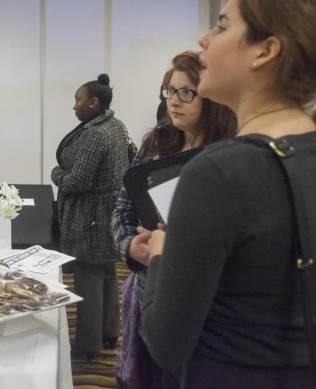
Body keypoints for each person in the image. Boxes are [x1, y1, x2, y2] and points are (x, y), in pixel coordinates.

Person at [142, 0, 316, 388]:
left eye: (222, 25)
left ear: (265, 51)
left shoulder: (219, 170)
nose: (204, 39)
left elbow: (166, 344)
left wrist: (161, 258)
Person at [112, 51, 236, 389]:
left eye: (186, 92)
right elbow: (123, 210)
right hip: (150, 289)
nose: (174, 101)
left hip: (207, 302)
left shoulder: (231, 153)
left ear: (211, 97)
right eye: (169, 91)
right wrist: (131, 247)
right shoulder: (155, 144)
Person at [52, 74, 129, 361]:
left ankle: (87, 345)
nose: (74, 106)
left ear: (93, 103)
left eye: (78, 100)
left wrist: (55, 173)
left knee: (87, 278)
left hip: (90, 217)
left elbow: (75, 182)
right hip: (106, 214)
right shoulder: (114, 124)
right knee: (106, 272)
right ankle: (110, 332)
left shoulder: (95, 133)